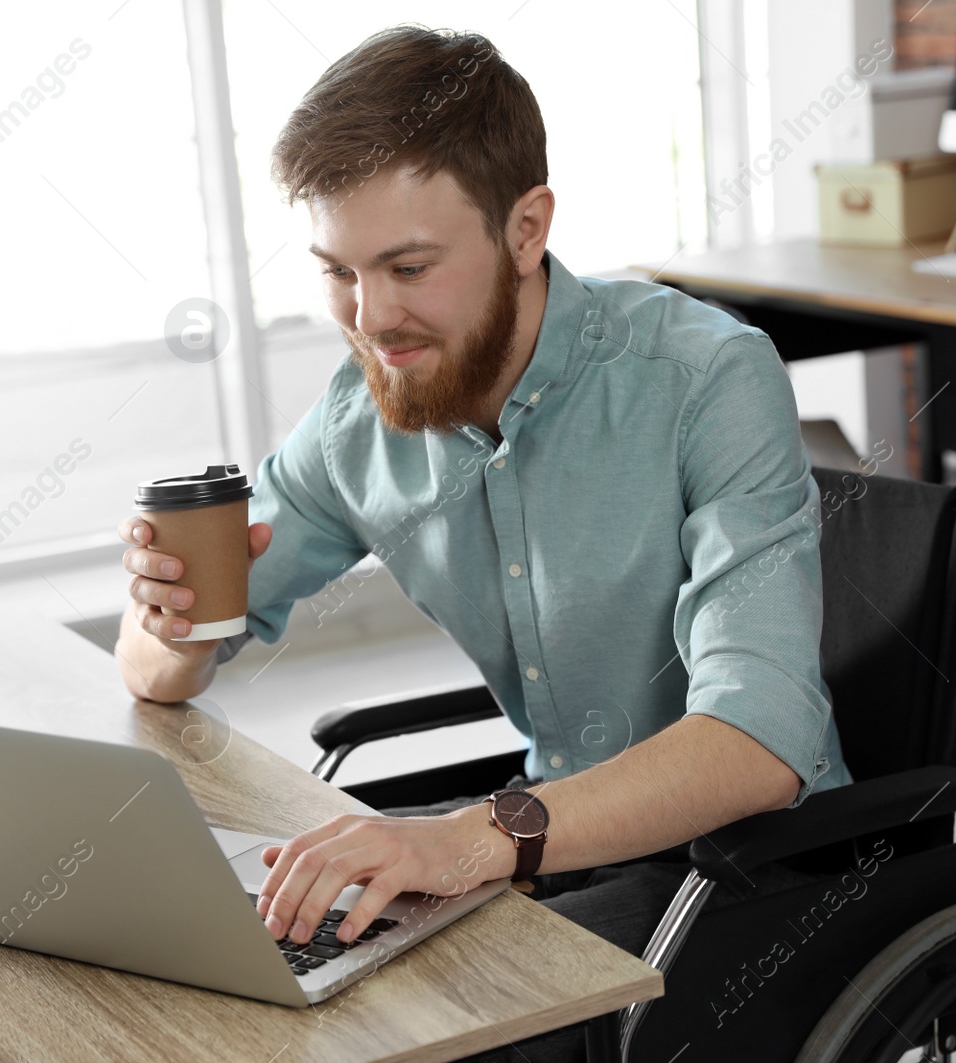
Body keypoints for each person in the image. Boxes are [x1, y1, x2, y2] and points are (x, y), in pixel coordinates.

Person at [116, 24, 853, 1061]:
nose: (370, 317)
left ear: (525, 228)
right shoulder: (357, 423)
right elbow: (162, 670)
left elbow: (761, 740)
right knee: (232, 967)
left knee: (407, 1035)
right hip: (560, 848)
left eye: (409, 266)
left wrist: (472, 840)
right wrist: (165, 611)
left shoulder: (706, 381)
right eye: (338, 273)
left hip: (756, 873)